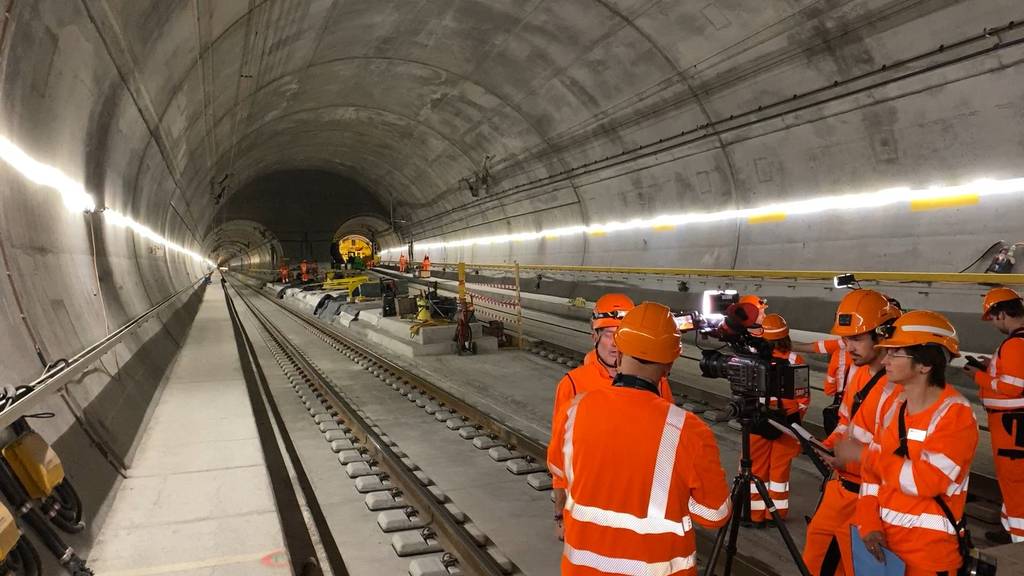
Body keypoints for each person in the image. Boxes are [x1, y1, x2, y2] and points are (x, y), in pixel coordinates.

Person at [547, 302, 731, 575]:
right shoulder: (689, 430)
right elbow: (714, 515)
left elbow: (561, 473)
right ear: (669, 364)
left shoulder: (573, 409)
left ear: (619, 354)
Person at [849, 310, 978, 575]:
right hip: (884, 551)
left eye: (896, 353)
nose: (886, 360)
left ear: (925, 364)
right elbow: (871, 477)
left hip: (928, 559)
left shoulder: (956, 415)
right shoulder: (896, 406)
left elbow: (926, 480)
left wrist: (864, 455)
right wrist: (868, 522)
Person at [549, 294, 675, 537]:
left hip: (641, 504)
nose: (616, 343)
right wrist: (559, 512)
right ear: (594, 336)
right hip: (589, 506)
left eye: (622, 334)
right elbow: (560, 459)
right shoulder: (574, 384)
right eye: (608, 334)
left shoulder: (657, 383)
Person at [802, 289, 901, 576]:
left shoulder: (896, 389)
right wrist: (828, 446)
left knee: (853, 566)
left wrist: (849, 458)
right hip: (840, 488)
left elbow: (892, 455)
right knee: (815, 556)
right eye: (845, 339)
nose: (848, 347)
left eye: (857, 339)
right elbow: (846, 420)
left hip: (868, 499)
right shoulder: (858, 374)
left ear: (882, 335)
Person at [965, 286, 1024, 544]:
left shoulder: (1015, 343)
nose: (993, 325)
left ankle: (1018, 540)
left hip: (1011, 425)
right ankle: (1007, 527)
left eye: (992, 319)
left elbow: (1013, 386)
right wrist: (990, 367)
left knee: (1014, 481)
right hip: (1012, 424)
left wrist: (978, 376)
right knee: (1009, 479)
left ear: (1001, 314)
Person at [748, 314, 809, 524]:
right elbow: (803, 398)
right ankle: (776, 515)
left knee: (756, 468)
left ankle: (755, 514)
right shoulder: (795, 360)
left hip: (759, 420)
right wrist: (794, 419)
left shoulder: (753, 357)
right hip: (786, 423)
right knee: (779, 472)